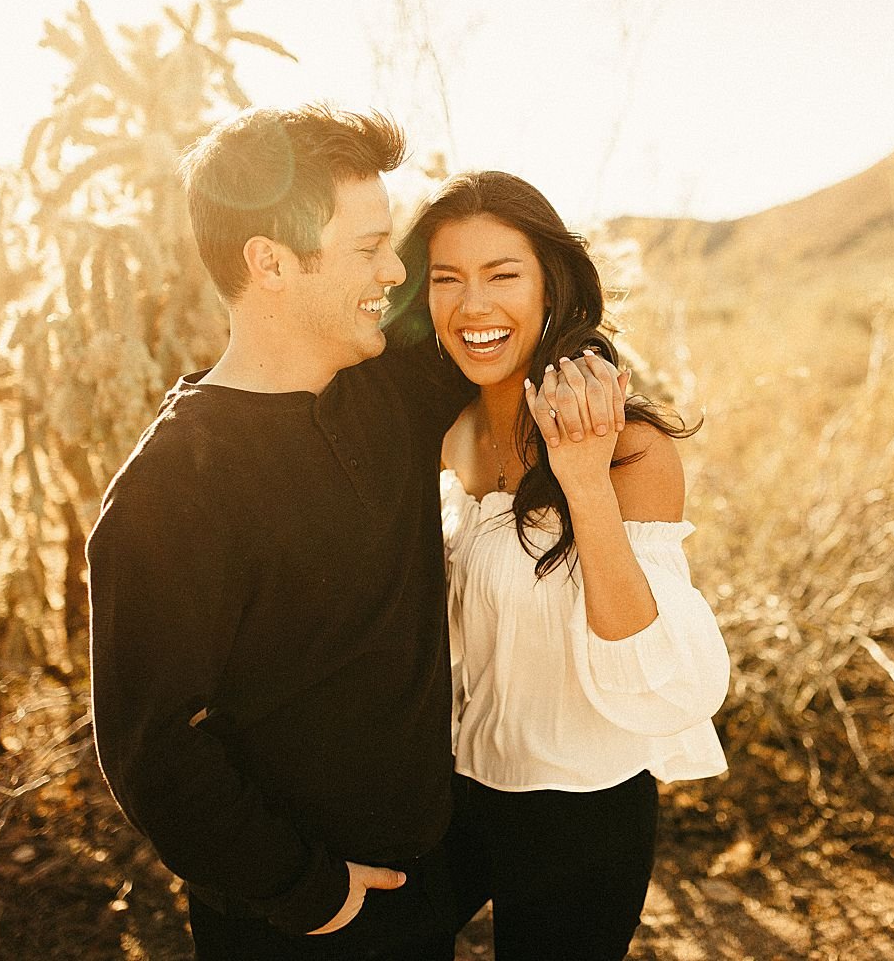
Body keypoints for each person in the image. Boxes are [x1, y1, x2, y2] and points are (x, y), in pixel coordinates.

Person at [86, 108, 623, 960]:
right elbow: (149, 748)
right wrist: (308, 892)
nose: (395, 271)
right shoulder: (170, 487)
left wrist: (584, 370)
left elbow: (493, 321)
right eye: (368, 248)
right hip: (299, 922)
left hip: (420, 886)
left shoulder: (387, 392)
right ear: (269, 262)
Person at [386, 171, 731, 961]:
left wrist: (582, 478)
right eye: (448, 280)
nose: (474, 306)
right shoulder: (450, 434)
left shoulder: (633, 446)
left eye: (503, 275)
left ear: (551, 286)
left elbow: (641, 656)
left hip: (585, 807)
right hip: (463, 787)